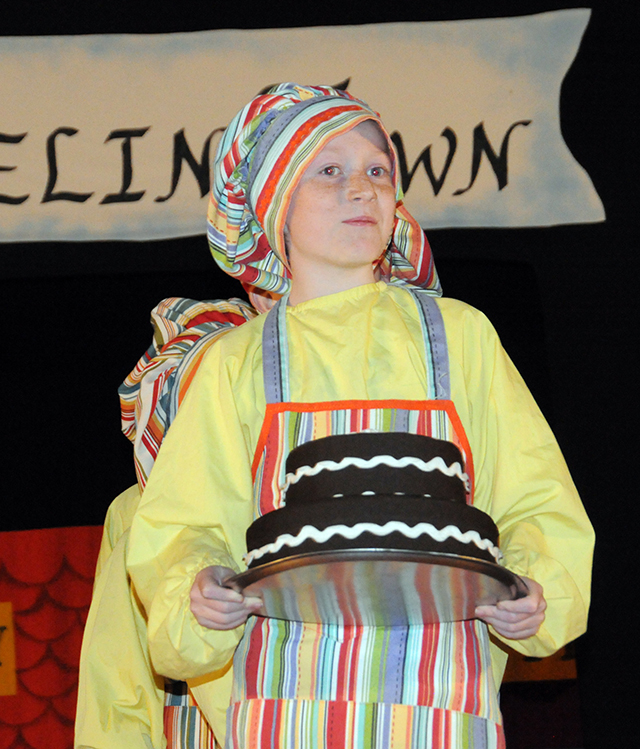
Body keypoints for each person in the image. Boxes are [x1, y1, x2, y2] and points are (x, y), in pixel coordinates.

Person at [126, 83, 594, 748]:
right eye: (329, 170)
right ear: (274, 205)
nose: (361, 189)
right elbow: (184, 526)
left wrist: (532, 591)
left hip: (440, 711)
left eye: (378, 171)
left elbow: (538, 501)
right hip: (286, 717)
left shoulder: (460, 337)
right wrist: (199, 590)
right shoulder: (236, 362)